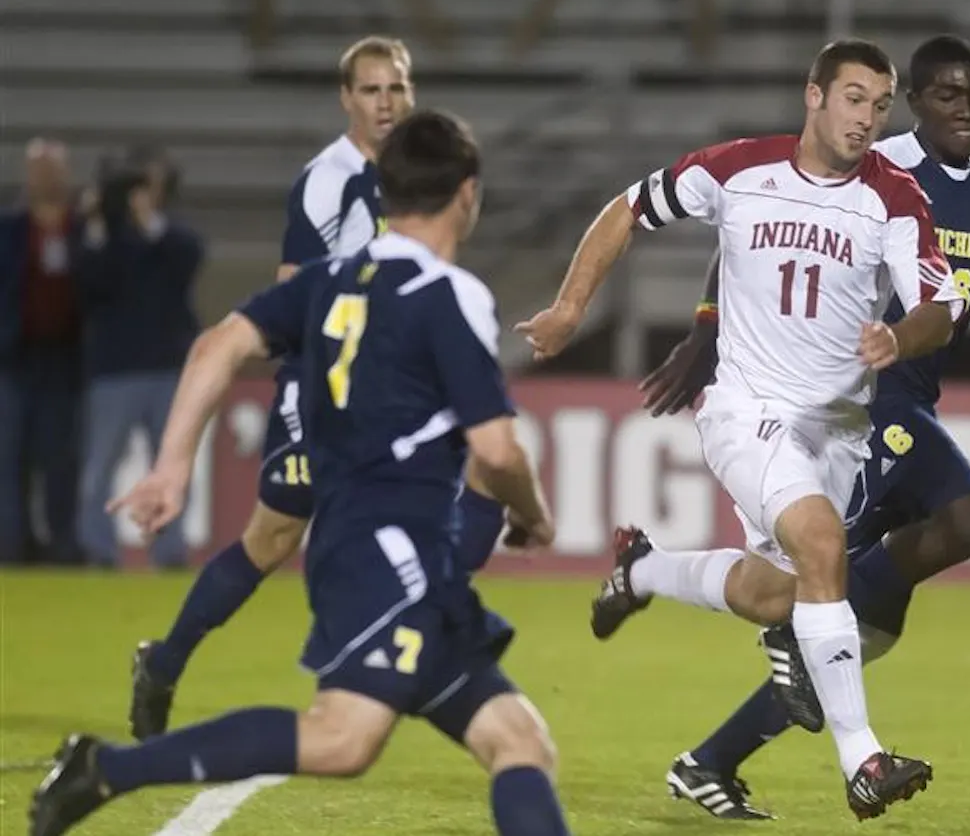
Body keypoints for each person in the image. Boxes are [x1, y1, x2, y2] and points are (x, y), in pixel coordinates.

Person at [30, 109, 570, 836]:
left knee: (520, 743)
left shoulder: (329, 280)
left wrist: (171, 467)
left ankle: (105, 767)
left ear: (382, 190)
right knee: (341, 739)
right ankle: (106, 770)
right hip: (391, 553)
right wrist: (532, 513)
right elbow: (498, 452)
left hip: (380, 548)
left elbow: (216, 347)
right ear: (467, 192)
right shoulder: (451, 295)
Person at [640, 35, 970, 820]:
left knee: (875, 609)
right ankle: (764, 655)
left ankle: (707, 749)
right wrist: (705, 329)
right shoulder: (874, 166)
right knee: (876, 559)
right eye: (947, 95)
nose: (966, 109)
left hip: (907, 402)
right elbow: (753, 226)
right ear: (917, 102)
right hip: (850, 398)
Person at [518, 38, 963, 820]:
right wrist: (570, 305)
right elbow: (627, 209)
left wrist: (902, 336)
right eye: (853, 99)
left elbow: (942, 303)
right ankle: (863, 760)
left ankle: (643, 571)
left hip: (838, 431)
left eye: (881, 105)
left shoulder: (892, 196)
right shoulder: (737, 169)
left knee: (780, 595)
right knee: (822, 548)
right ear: (814, 97)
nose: (866, 118)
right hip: (746, 412)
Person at [125, 35, 511, 743]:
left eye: (396, 88)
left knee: (360, 521)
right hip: (324, 386)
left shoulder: (419, 175)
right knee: (274, 535)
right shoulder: (328, 179)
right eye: (371, 90)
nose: (386, 102)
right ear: (347, 99)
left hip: (392, 389)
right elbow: (292, 293)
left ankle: (408, 662)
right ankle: (171, 660)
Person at [71, 145, 203, 569]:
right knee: (99, 468)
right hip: (115, 369)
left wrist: (148, 225)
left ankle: (170, 550)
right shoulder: (102, 240)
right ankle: (99, 550)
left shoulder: (170, 238)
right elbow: (86, 283)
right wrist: (95, 224)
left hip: (167, 367)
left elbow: (188, 261)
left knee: (172, 463)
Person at [0, 138, 83, 565]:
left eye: (53, 168)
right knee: (8, 460)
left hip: (66, 361)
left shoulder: (84, 228)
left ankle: (62, 548)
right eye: (38, 168)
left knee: (60, 462)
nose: (45, 176)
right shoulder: (11, 228)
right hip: (15, 359)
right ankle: (11, 549)